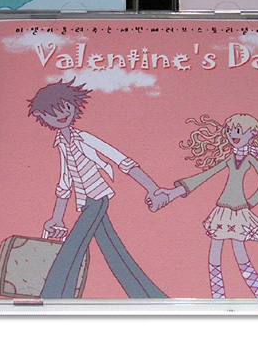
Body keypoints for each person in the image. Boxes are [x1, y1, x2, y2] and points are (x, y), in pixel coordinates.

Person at [153, 108, 258, 299]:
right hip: (223, 210)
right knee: (215, 253)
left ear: (253, 133)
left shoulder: (250, 159)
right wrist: (173, 193)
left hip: (239, 210)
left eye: (239, 131)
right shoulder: (230, 158)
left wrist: (248, 204)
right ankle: (218, 297)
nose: (233, 134)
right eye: (229, 130)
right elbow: (204, 176)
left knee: (240, 253)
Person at [28, 78, 168, 299]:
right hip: (85, 202)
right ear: (41, 116)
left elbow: (121, 160)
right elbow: (65, 182)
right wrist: (57, 218)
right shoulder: (61, 144)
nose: (62, 114)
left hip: (97, 198)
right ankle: (148, 296)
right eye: (52, 112)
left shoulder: (84, 138)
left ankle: (54, 295)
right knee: (112, 250)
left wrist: (152, 188)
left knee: (74, 244)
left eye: (65, 107)